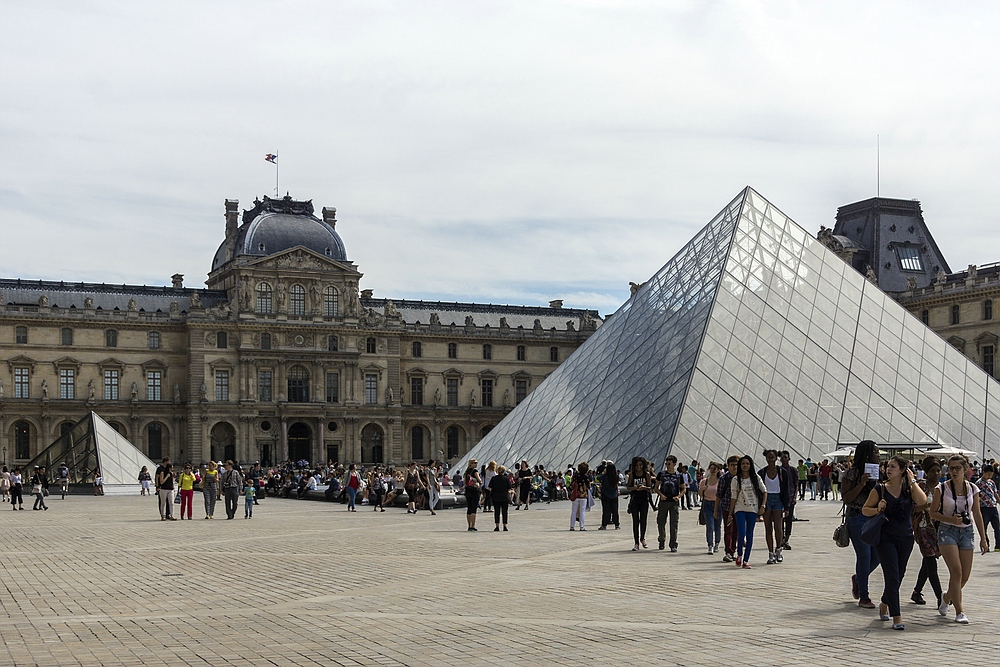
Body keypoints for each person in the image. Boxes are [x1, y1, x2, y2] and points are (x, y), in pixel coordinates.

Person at [862, 456, 926, 631]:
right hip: (885, 538)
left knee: (900, 574)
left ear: (903, 470)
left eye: (893, 466)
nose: (888, 469)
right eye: (887, 466)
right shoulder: (880, 489)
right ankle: (896, 617)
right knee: (892, 575)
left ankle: (884, 602)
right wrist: (878, 509)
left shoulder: (909, 489)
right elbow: (865, 510)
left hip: (906, 537)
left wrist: (912, 481)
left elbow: (922, 501)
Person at [929, 455, 990, 623]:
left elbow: (976, 513)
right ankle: (959, 611)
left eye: (958, 468)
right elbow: (932, 513)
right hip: (947, 531)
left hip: (967, 531)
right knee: (956, 571)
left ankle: (947, 597)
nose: (954, 471)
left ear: (966, 470)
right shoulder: (941, 488)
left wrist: (983, 538)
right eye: (951, 468)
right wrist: (950, 519)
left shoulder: (972, 489)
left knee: (964, 576)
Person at [840, 440, 880, 608]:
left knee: (877, 557)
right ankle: (864, 596)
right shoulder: (851, 474)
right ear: (866, 454)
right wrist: (862, 484)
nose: (878, 455)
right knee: (864, 556)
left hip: (874, 517)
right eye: (875, 452)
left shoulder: (880, 472)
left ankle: (858, 579)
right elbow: (847, 498)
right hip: (857, 516)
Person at [911, 456, 943, 607]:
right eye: (932, 471)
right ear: (926, 472)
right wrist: (926, 505)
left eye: (938, 470)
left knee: (927, 562)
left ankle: (917, 592)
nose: (936, 474)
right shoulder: (920, 487)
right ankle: (940, 598)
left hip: (939, 529)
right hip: (923, 529)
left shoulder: (944, 488)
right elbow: (912, 509)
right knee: (931, 563)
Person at [729, 454, 765, 569]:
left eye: (747, 464)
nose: (745, 465)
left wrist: (763, 505)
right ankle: (739, 553)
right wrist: (730, 513)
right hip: (739, 508)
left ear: (751, 465)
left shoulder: (756, 478)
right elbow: (733, 497)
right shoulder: (736, 479)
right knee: (742, 533)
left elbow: (764, 491)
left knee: (750, 535)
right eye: (743, 463)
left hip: (752, 508)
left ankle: (746, 560)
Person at [758, 450, 790, 564]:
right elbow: (759, 490)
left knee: (778, 527)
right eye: (768, 457)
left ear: (777, 458)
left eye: (773, 457)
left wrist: (787, 507)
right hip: (766, 499)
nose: (770, 459)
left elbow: (786, 490)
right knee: (768, 528)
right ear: (766, 458)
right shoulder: (761, 472)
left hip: (778, 499)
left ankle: (778, 550)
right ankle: (770, 553)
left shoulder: (782, 472)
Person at [655, 455, 684, 552]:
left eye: (669, 464)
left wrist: (678, 496)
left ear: (674, 464)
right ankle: (662, 539)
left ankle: (673, 544)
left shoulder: (679, 476)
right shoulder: (661, 474)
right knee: (660, 522)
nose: (667, 465)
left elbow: (683, 489)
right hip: (663, 501)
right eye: (666, 464)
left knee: (674, 523)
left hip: (674, 502)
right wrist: (661, 495)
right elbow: (656, 487)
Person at [716, 456, 739, 562]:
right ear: (728, 466)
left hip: (739, 508)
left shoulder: (742, 477)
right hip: (726, 507)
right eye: (732, 465)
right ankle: (728, 552)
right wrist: (716, 509)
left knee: (736, 531)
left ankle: (733, 550)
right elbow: (719, 495)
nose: (735, 467)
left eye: (736, 464)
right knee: (728, 530)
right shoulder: (724, 478)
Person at [699, 461, 722, 554]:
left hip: (718, 505)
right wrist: (702, 489)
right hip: (707, 504)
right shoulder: (704, 481)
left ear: (718, 470)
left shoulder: (721, 481)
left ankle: (717, 543)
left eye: (714, 469)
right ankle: (710, 545)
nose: (712, 470)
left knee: (717, 526)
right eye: (711, 468)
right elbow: (700, 495)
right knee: (710, 526)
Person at [977, 465, 1000, 550]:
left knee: (997, 527)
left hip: (993, 507)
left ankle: (998, 545)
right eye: (988, 474)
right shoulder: (979, 483)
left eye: (991, 474)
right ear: (984, 472)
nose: (990, 476)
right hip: (984, 507)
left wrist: (999, 501)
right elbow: (976, 496)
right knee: (984, 527)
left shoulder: (992, 482)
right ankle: (986, 544)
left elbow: (995, 493)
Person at [488, 464, 512, 531]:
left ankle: (497, 526)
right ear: (504, 471)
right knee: (505, 512)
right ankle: (505, 526)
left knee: (497, 512)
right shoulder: (506, 479)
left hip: (496, 497)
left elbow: (490, 488)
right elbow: (509, 488)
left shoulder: (494, 478)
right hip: (504, 497)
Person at [569, 462, 590, 531]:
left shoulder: (575, 476)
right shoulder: (586, 477)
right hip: (583, 496)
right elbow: (588, 486)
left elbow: (571, 486)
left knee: (574, 511)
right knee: (582, 512)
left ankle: (572, 527)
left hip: (575, 496)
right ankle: (582, 527)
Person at [599, 461, 620, 530]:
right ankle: (617, 524)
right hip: (614, 495)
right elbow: (616, 485)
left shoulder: (605, 477)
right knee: (615, 510)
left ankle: (604, 525)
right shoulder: (616, 477)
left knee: (606, 511)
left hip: (605, 495)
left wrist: (603, 472)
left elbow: (598, 478)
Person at [463, 459, 481, 531]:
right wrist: (479, 483)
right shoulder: (475, 471)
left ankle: (469, 525)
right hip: (474, 491)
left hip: (468, 491)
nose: (476, 464)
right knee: (474, 508)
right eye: (475, 463)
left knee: (469, 508)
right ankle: (472, 526)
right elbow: (479, 480)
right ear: (471, 464)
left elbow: (465, 482)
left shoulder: (466, 472)